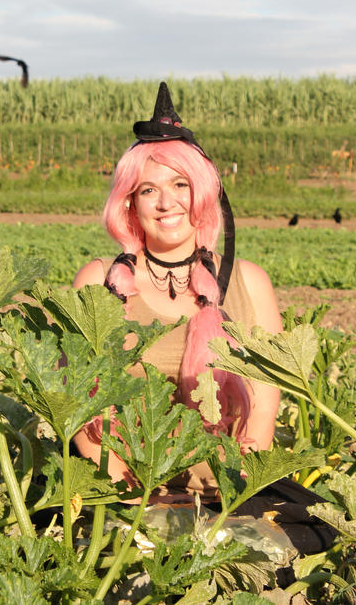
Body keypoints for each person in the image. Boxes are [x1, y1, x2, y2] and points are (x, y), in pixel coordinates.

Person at [71, 82, 282, 501]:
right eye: (149, 190)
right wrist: (129, 505)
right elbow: (80, 411)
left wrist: (232, 502)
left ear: (202, 193)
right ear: (129, 202)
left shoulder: (248, 283)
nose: (166, 203)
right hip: (124, 499)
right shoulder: (97, 283)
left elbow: (261, 412)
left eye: (181, 185)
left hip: (226, 496)